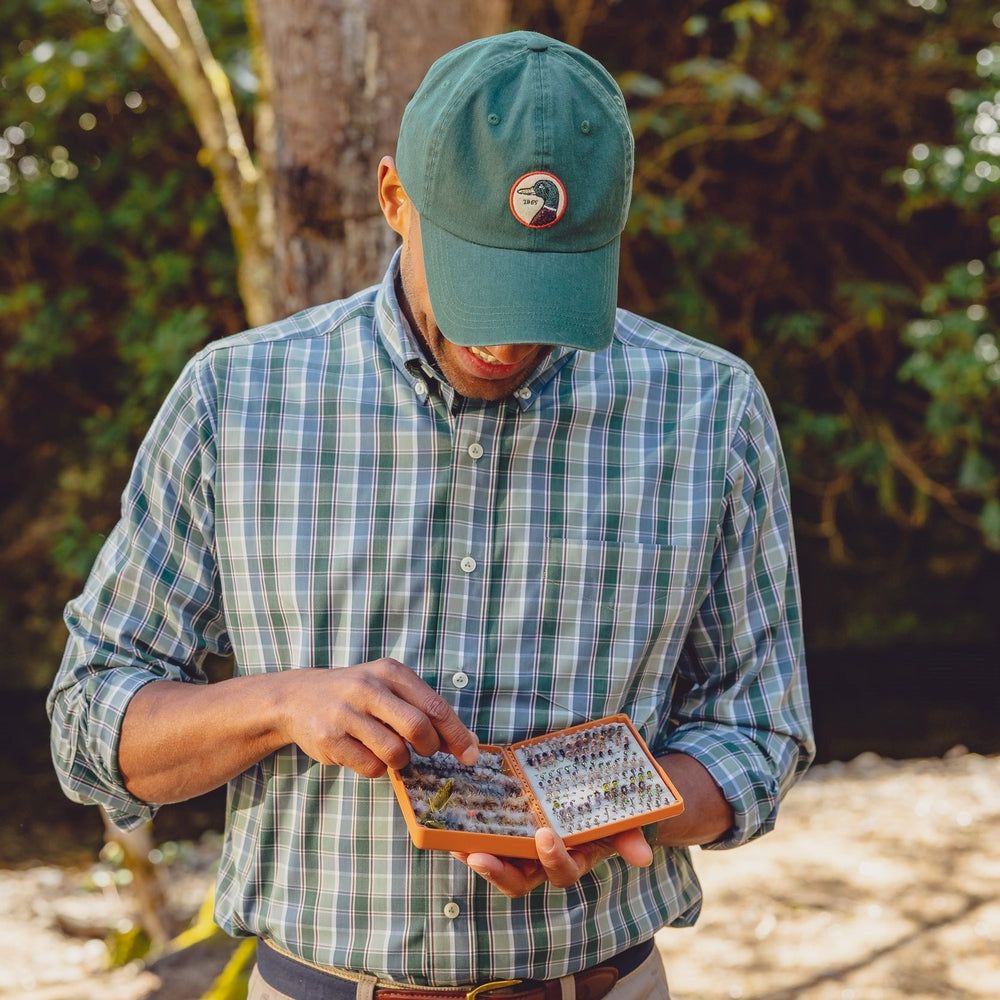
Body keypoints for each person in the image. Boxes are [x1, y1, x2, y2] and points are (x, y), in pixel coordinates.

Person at [48, 30, 814, 1000]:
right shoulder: (230, 400)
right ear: (391, 198)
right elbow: (88, 727)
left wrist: (611, 811)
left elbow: (760, 728)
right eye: (475, 278)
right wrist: (280, 703)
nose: (501, 335)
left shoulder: (709, 408)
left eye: (542, 289)